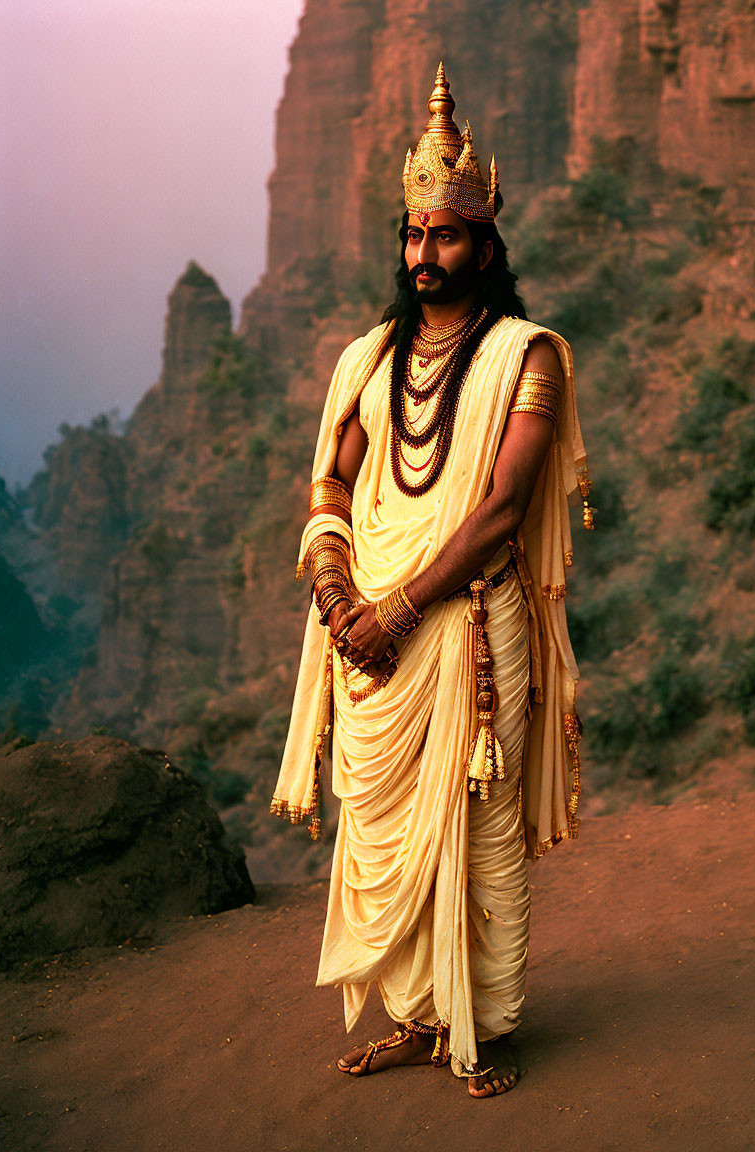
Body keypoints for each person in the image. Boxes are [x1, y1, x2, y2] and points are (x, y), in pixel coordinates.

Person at [270, 63, 593, 1098]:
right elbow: (329, 481)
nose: (423, 254)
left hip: (461, 627)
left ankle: (482, 1026)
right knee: (382, 821)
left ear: (485, 248)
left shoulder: (524, 356)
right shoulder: (365, 361)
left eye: (444, 235)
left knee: (479, 824)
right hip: (366, 632)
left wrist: (397, 610)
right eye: (411, 235)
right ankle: (416, 1018)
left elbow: (499, 509)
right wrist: (338, 602)